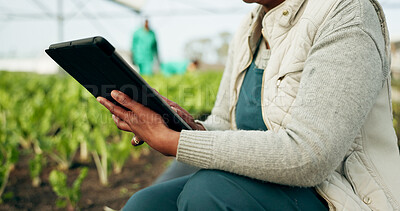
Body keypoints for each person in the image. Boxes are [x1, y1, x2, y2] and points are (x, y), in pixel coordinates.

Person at [97, 0, 400, 210]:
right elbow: (226, 122)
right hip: (265, 184)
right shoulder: (250, 27)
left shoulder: (347, 14)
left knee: (208, 194)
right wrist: (189, 126)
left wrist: (180, 143)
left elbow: (311, 156)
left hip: (333, 195)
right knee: (145, 204)